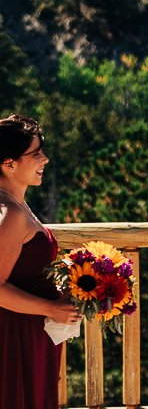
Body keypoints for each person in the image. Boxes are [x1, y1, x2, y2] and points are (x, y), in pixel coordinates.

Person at [0, 114, 80, 409]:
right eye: (36, 154)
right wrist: (50, 307)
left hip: (31, 334)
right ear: (9, 164)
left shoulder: (17, 205)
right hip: (15, 338)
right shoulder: (10, 214)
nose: (44, 159)